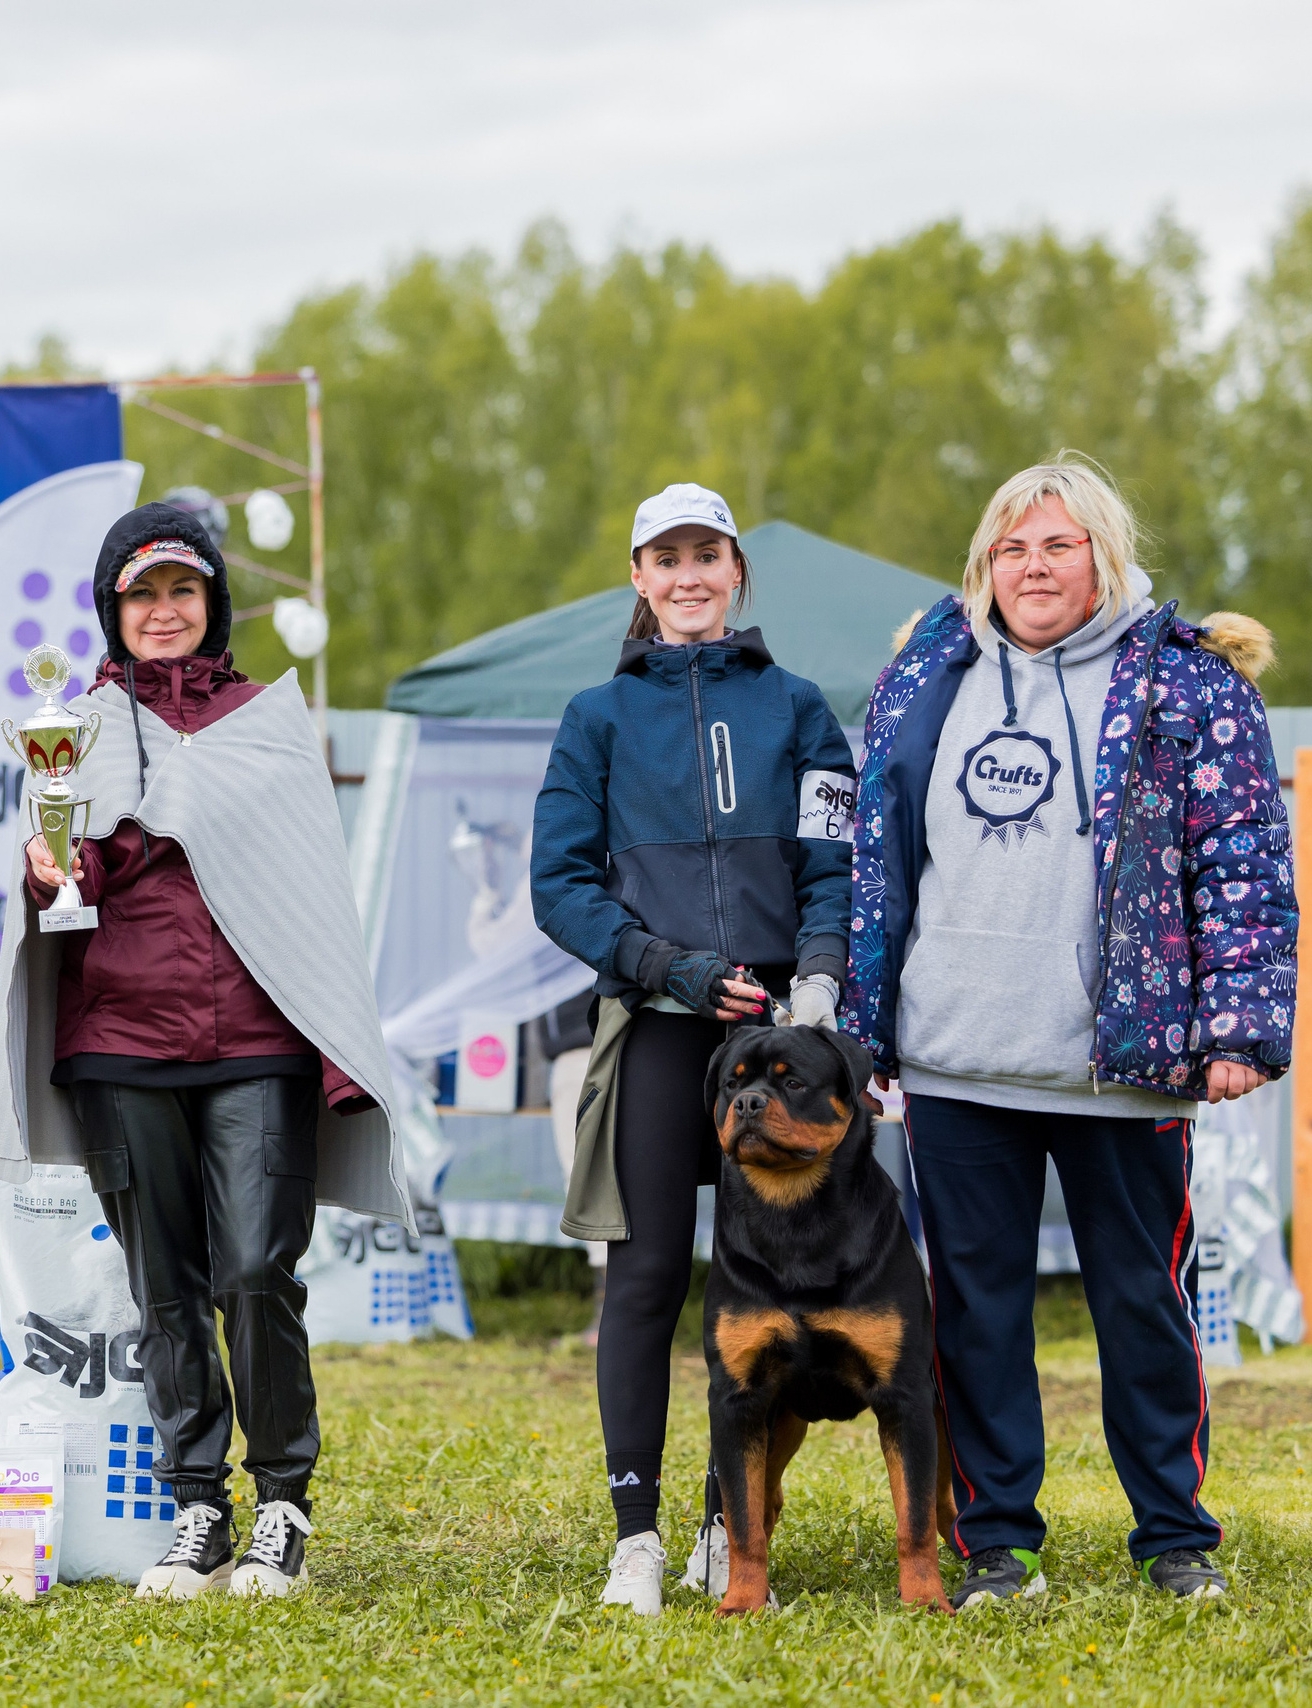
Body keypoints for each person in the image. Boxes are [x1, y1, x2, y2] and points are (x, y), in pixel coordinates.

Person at [840, 453, 1291, 1606]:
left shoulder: (1186, 683)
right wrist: (866, 1022)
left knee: (1142, 1303)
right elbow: (874, 856)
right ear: (984, 564)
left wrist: (1236, 1021)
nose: (1032, 566)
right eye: (1012, 546)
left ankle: (1173, 1537)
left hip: (1124, 1059)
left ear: (1104, 554)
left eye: (1057, 545)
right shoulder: (924, 671)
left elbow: (1241, 855)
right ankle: (999, 1540)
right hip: (955, 1055)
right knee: (976, 1312)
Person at [0, 501, 407, 1600]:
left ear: (211, 603)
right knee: (163, 1287)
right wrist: (42, 859)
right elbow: (64, 879)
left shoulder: (266, 724)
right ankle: (198, 1509)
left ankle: (284, 1506)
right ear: (112, 611)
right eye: (140, 592)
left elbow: (312, 898)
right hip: (119, 1043)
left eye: (181, 589)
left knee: (258, 1270)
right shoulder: (70, 729)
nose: (162, 609)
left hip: (258, 1040)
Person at [530, 483, 859, 1616]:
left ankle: (735, 1521)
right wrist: (668, 967)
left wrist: (813, 974)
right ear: (636, 576)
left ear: (735, 571)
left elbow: (834, 860)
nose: (686, 576)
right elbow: (558, 887)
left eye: (705, 556)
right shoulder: (595, 718)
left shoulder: (802, 707)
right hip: (661, 1036)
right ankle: (637, 1535)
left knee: (771, 1286)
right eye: (663, 558)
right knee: (647, 1279)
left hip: (785, 1046)